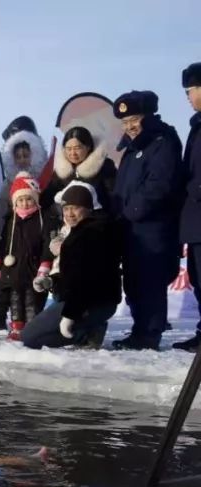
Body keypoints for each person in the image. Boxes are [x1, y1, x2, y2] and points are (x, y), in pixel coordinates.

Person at [111, 90, 184, 350]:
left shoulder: (162, 141)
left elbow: (159, 186)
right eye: (124, 122)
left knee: (150, 282)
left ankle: (149, 335)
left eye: (134, 119)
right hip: (131, 230)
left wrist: (129, 212)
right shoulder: (132, 148)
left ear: (148, 116)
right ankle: (139, 331)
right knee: (134, 283)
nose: (129, 126)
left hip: (153, 229)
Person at [21, 182, 122, 349]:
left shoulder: (94, 234)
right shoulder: (77, 232)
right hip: (84, 301)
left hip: (95, 302)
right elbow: (73, 275)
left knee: (29, 339)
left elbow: (86, 282)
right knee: (31, 335)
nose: (70, 214)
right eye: (66, 209)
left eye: (76, 208)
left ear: (89, 209)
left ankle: (87, 332)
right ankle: (90, 328)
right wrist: (51, 281)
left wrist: (70, 315)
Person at [0, 173, 59, 340]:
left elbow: (47, 244)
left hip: (33, 268)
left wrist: (45, 264)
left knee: (31, 300)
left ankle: (32, 327)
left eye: (28, 199)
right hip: (13, 269)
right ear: (15, 201)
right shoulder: (10, 220)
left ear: (35, 199)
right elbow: (3, 244)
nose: (25, 203)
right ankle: (16, 326)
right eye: (20, 200)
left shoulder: (43, 219)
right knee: (15, 299)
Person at [174, 62, 201, 352]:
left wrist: (193, 188)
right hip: (194, 220)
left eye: (190, 90)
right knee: (198, 278)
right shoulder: (197, 125)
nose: (188, 96)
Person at [40, 126, 118, 215]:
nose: (72, 153)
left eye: (77, 148)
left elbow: (114, 196)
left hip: (99, 221)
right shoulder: (61, 171)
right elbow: (47, 198)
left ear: (88, 147)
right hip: (70, 221)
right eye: (68, 149)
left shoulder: (104, 167)